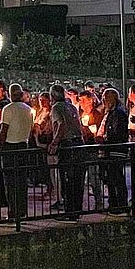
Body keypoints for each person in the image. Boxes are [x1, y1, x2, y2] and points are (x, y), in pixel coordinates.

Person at [48, 83, 85, 220]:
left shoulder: (56, 108)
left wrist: (55, 142)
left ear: (52, 96)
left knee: (67, 180)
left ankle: (70, 211)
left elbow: (61, 125)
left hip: (67, 146)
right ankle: (77, 210)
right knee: (77, 179)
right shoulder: (72, 107)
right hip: (78, 144)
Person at [0, 83, 33, 221]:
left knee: (10, 181)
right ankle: (22, 210)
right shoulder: (28, 109)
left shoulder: (8, 109)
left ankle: (13, 210)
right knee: (22, 180)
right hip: (23, 145)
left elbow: (4, 129)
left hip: (10, 146)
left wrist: (0, 145)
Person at [95, 88, 129, 212]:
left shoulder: (118, 113)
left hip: (115, 149)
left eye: (106, 98)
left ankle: (120, 204)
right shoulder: (111, 112)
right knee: (111, 178)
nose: (103, 100)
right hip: (111, 149)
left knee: (116, 178)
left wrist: (104, 139)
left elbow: (117, 132)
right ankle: (114, 203)